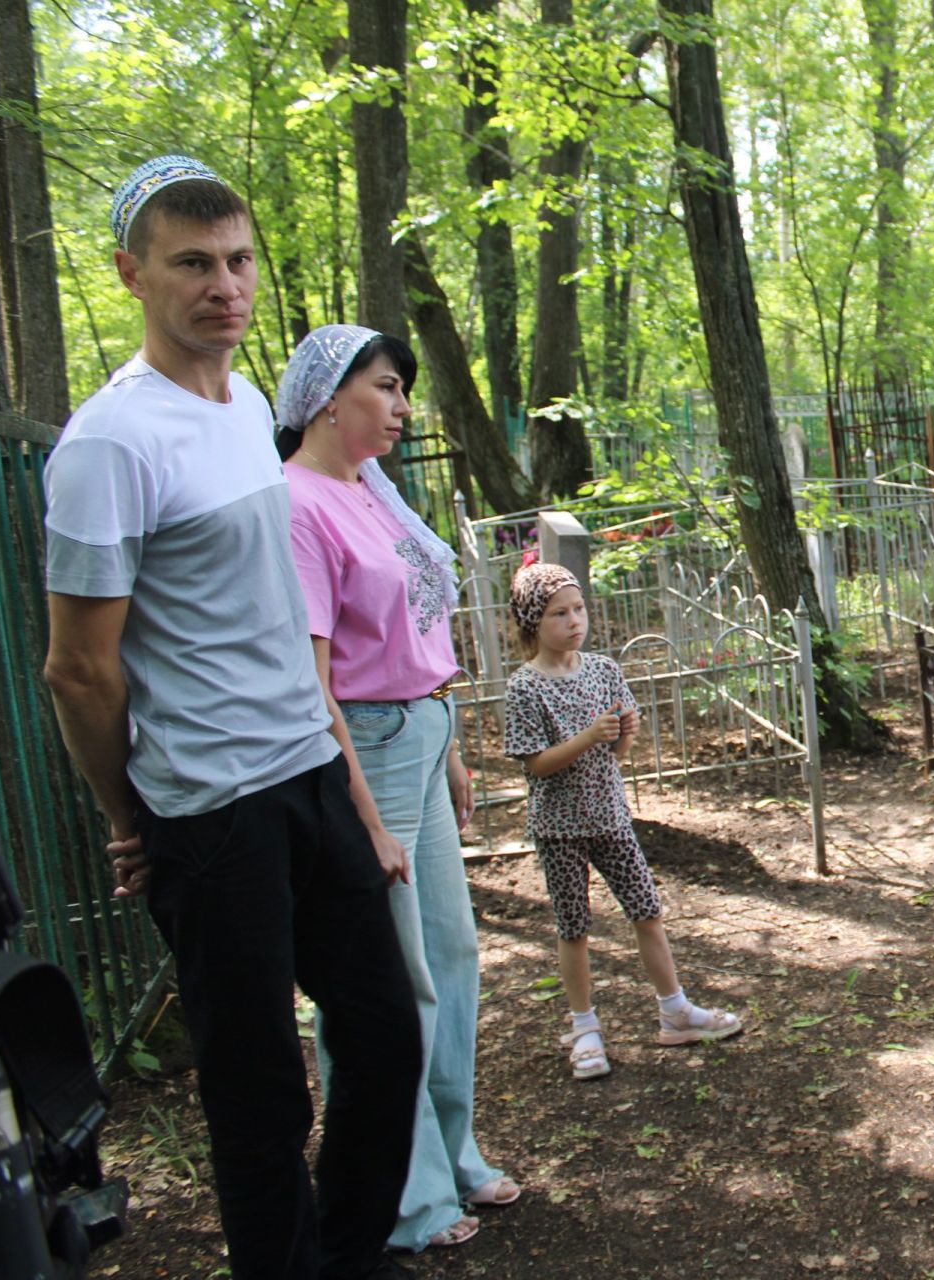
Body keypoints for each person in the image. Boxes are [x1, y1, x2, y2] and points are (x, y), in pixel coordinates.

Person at [40, 155, 421, 1278]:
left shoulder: (248, 402)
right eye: (193, 263)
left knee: (386, 1037)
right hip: (209, 809)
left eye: (239, 260)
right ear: (131, 272)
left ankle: (349, 1254)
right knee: (260, 1095)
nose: (225, 284)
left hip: (307, 766)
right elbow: (77, 667)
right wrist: (129, 814)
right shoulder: (108, 443)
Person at [274, 324, 520, 1253]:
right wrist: (363, 814)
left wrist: (449, 744)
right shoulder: (297, 503)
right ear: (329, 397)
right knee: (386, 975)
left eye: (404, 391)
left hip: (421, 728)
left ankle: (450, 1149)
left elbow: (417, 633)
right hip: (363, 747)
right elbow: (312, 676)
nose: (404, 409)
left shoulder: (371, 491)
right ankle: (402, 1196)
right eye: (387, 388)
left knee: (451, 955)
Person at [502, 563, 742, 1078]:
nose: (573, 621)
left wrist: (624, 732)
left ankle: (675, 1010)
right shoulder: (525, 687)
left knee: (646, 909)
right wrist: (589, 736)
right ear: (532, 623)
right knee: (574, 926)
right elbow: (537, 766)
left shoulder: (604, 670)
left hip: (610, 816)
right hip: (559, 827)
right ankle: (584, 1027)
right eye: (558, 613)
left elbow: (617, 751)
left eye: (579, 609)